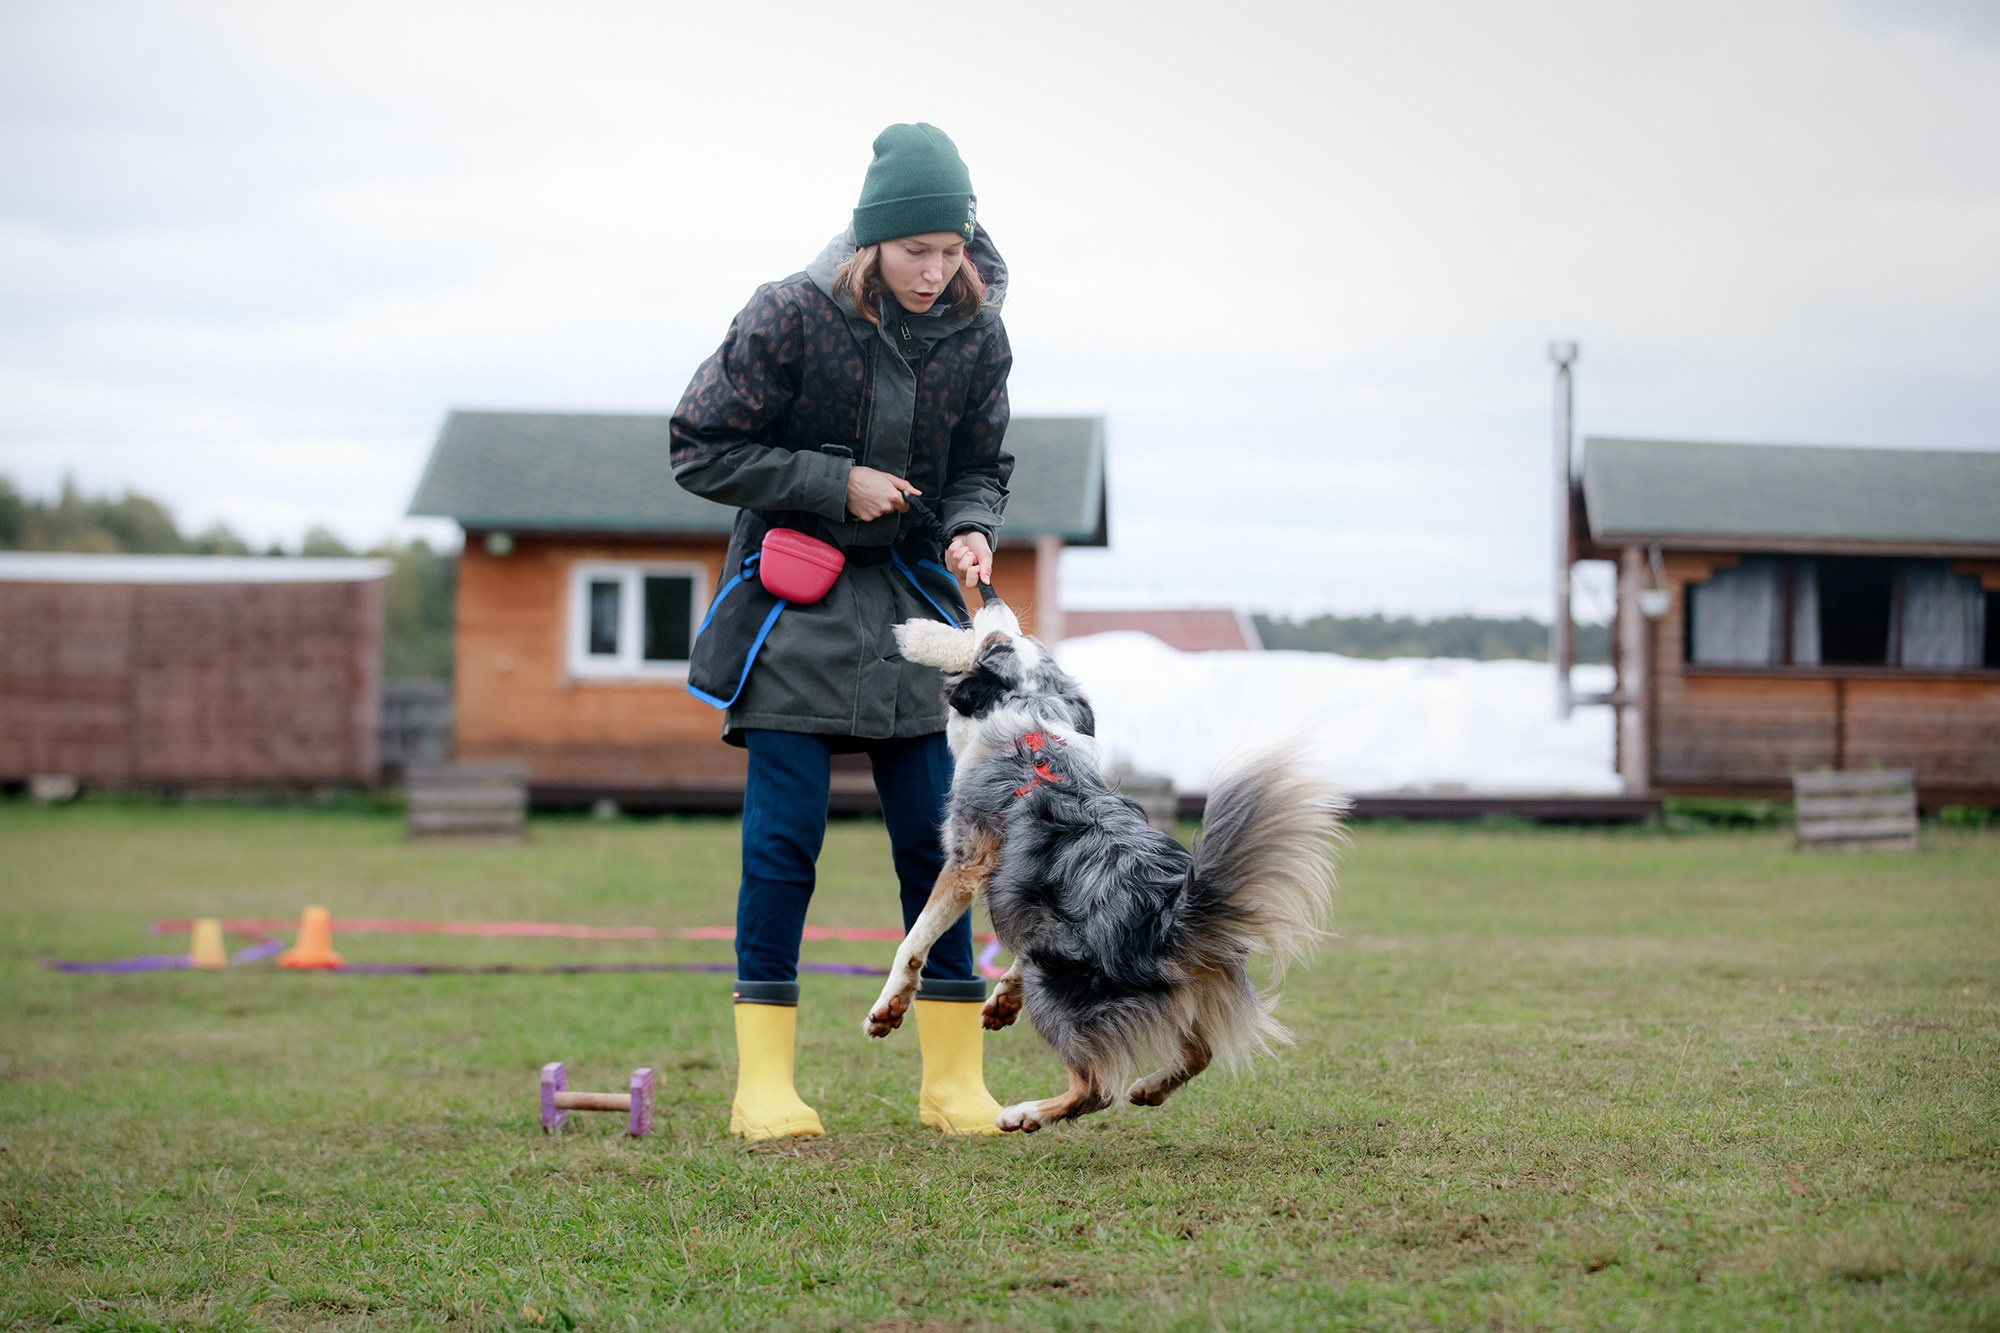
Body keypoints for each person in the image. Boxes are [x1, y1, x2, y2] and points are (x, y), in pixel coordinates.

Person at [670, 123, 1013, 1140]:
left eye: (950, 251)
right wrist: (833, 482)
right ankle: (761, 1087)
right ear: (870, 242)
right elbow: (698, 446)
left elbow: (982, 461)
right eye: (915, 252)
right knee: (784, 845)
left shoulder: (979, 330)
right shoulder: (785, 314)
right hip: (793, 605)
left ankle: (952, 1081)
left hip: (912, 614)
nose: (934, 272)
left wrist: (967, 527)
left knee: (940, 842)